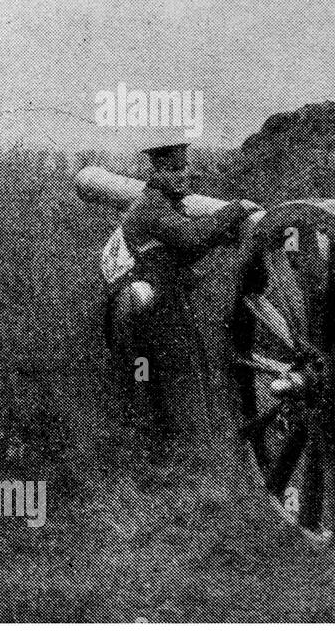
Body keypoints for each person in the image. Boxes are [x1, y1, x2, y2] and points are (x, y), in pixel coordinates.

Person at [106, 132, 255, 464]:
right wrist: (237, 209)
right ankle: (154, 461)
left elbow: (184, 248)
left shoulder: (165, 205)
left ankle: (180, 453)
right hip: (143, 310)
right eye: (174, 169)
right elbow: (188, 237)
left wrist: (221, 237)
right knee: (153, 380)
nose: (183, 174)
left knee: (174, 375)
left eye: (184, 166)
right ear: (156, 172)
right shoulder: (151, 207)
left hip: (163, 302)